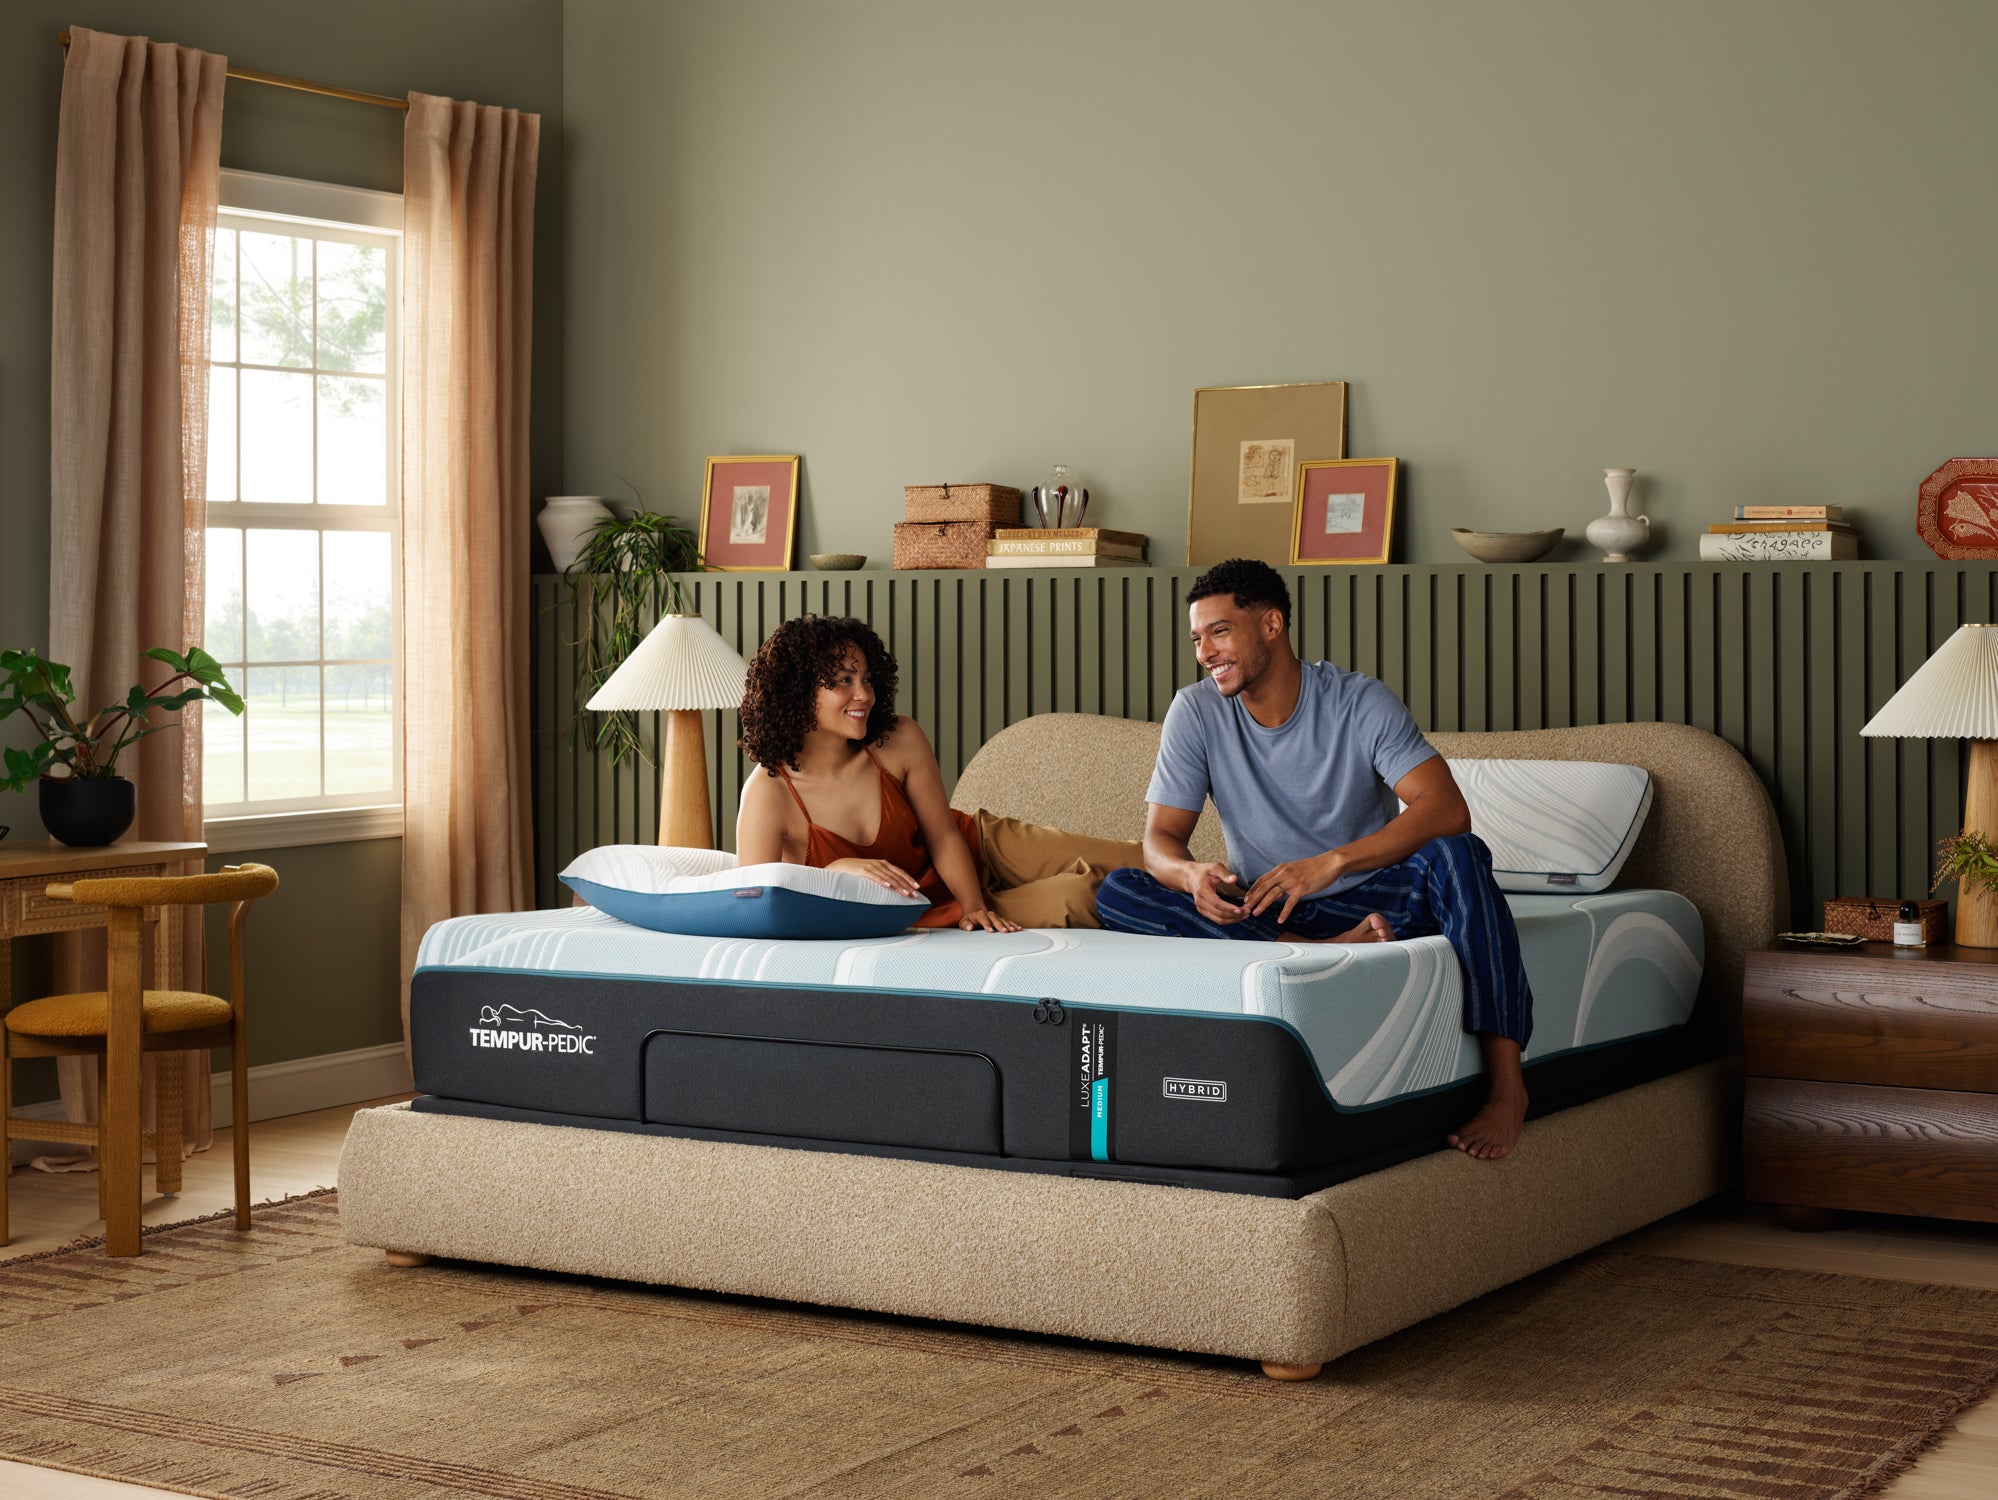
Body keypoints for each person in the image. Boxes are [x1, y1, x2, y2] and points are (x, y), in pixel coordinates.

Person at [1094, 559, 1534, 1160]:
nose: (1205, 652)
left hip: (1377, 897)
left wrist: (1334, 863)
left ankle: (1508, 1089)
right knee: (1119, 889)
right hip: (1269, 909)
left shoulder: (1358, 701)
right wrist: (1191, 873)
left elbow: (1446, 808)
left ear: (1271, 624)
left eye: (1219, 632)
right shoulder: (1194, 711)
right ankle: (1314, 949)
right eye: (1197, 638)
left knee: (1459, 855)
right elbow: (1160, 842)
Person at [735, 615, 1141, 931]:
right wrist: (832, 872)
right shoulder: (768, 794)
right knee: (1087, 892)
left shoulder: (898, 738)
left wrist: (975, 905)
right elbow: (752, 905)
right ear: (798, 693)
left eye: (867, 679)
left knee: (1138, 859)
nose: (864, 694)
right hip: (926, 908)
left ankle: (1201, 891)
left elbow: (943, 835)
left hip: (978, 848)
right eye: (844, 681)